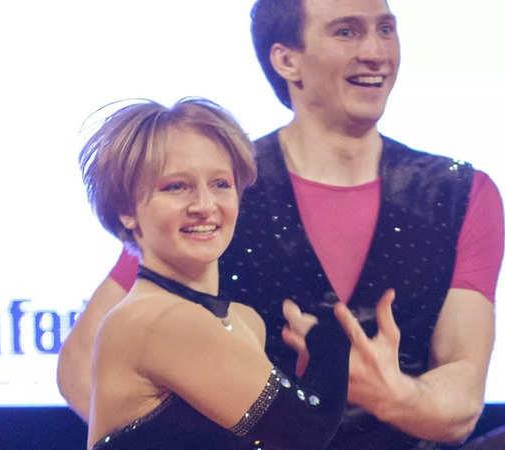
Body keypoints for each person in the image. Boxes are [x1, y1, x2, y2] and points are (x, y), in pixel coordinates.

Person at [58, 1, 504, 449]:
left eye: (385, 29)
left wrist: (392, 393)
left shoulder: (461, 193)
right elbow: (82, 364)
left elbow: (462, 399)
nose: (375, 52)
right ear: (286, 59)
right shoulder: (217, 189)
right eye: (346, 31)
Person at [78, 97, 350, 450]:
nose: (205, 206)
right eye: (176, 186)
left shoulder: (244, 321)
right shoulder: (154, 320)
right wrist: (331, 337)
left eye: (221, 184)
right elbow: (302, 431)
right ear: (126, 209)